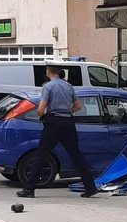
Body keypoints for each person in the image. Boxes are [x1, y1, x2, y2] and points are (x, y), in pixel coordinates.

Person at [17, 65, 99, 198]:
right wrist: (67, 111)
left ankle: (29, 189)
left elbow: (40, 109)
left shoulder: (48, 87)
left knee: (41, 155)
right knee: (76, 155)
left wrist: (42, 115)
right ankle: (90, 187)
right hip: (68, 123)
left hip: (53, 123)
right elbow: (78, 106)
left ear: (48, 72)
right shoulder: (68, 86)